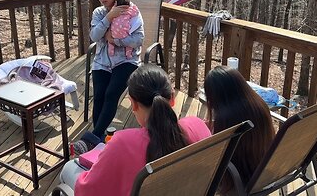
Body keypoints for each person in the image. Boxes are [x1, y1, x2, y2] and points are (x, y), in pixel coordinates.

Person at [59, 64, 211, 196]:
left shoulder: (123, 143)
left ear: (133, 104)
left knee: (70, 167)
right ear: (172, 98)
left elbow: (88, 191)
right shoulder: (198, 125)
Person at [73, 0, 144, 154]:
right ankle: (98, 140)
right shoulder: (99, 13)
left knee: (111, 94)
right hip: (102, 61)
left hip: (126, 61)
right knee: (99, 96)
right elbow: (94, 36)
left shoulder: (131, 11)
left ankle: (93, 137)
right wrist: (109, 17)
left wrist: (115, 40)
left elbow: (138, 39)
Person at [203, 66, 275, 194]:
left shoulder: (226, 118)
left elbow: (221, 157)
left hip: (238, 181)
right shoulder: (259, 104)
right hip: (264, 172)